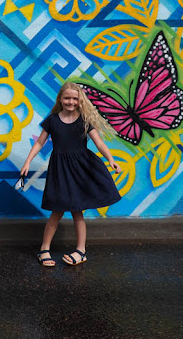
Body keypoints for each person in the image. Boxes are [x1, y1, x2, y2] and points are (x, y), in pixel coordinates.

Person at [20, 82, 122, 267]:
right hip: (60, 169)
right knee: (57, 211)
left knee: (77, 211)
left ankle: (81, 251)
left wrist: (111, 159)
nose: (71, 102)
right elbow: (39, 143)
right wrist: (27, 162)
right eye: (67, 98)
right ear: (60, 98)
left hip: (81, 168)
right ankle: (44, 249)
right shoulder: (52, 120)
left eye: (75, 98)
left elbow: (99, 143)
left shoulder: (84, 120)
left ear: (80, 100)